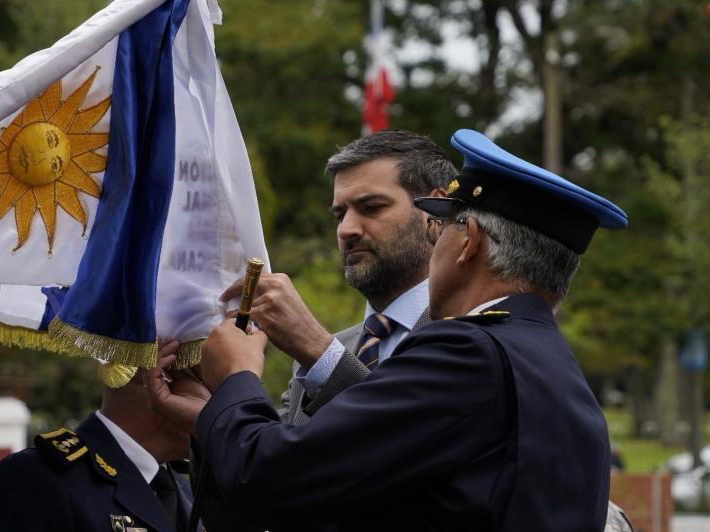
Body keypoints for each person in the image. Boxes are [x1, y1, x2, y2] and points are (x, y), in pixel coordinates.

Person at [148, 129, 628, 531]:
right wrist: (214, 419)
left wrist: (237, 376)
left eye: (446, 225)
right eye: (340, 214)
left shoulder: (470, 352)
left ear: (470, 243)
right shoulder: (548, 363)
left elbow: (273, 477)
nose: (347, 230)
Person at [246, 130, 457, 425]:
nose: (346, 230)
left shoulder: (474, 337)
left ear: (436, 211)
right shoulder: (322, 356)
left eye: (371, 208)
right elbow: (273, 464)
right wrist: (219, 395)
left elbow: (408, 448)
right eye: (339, 215)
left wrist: (320, 354)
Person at [0, 341, 202, 532]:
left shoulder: (191, 489)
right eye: (210, 382)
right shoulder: (35, 480)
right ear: (158, 376)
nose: (222, 402)